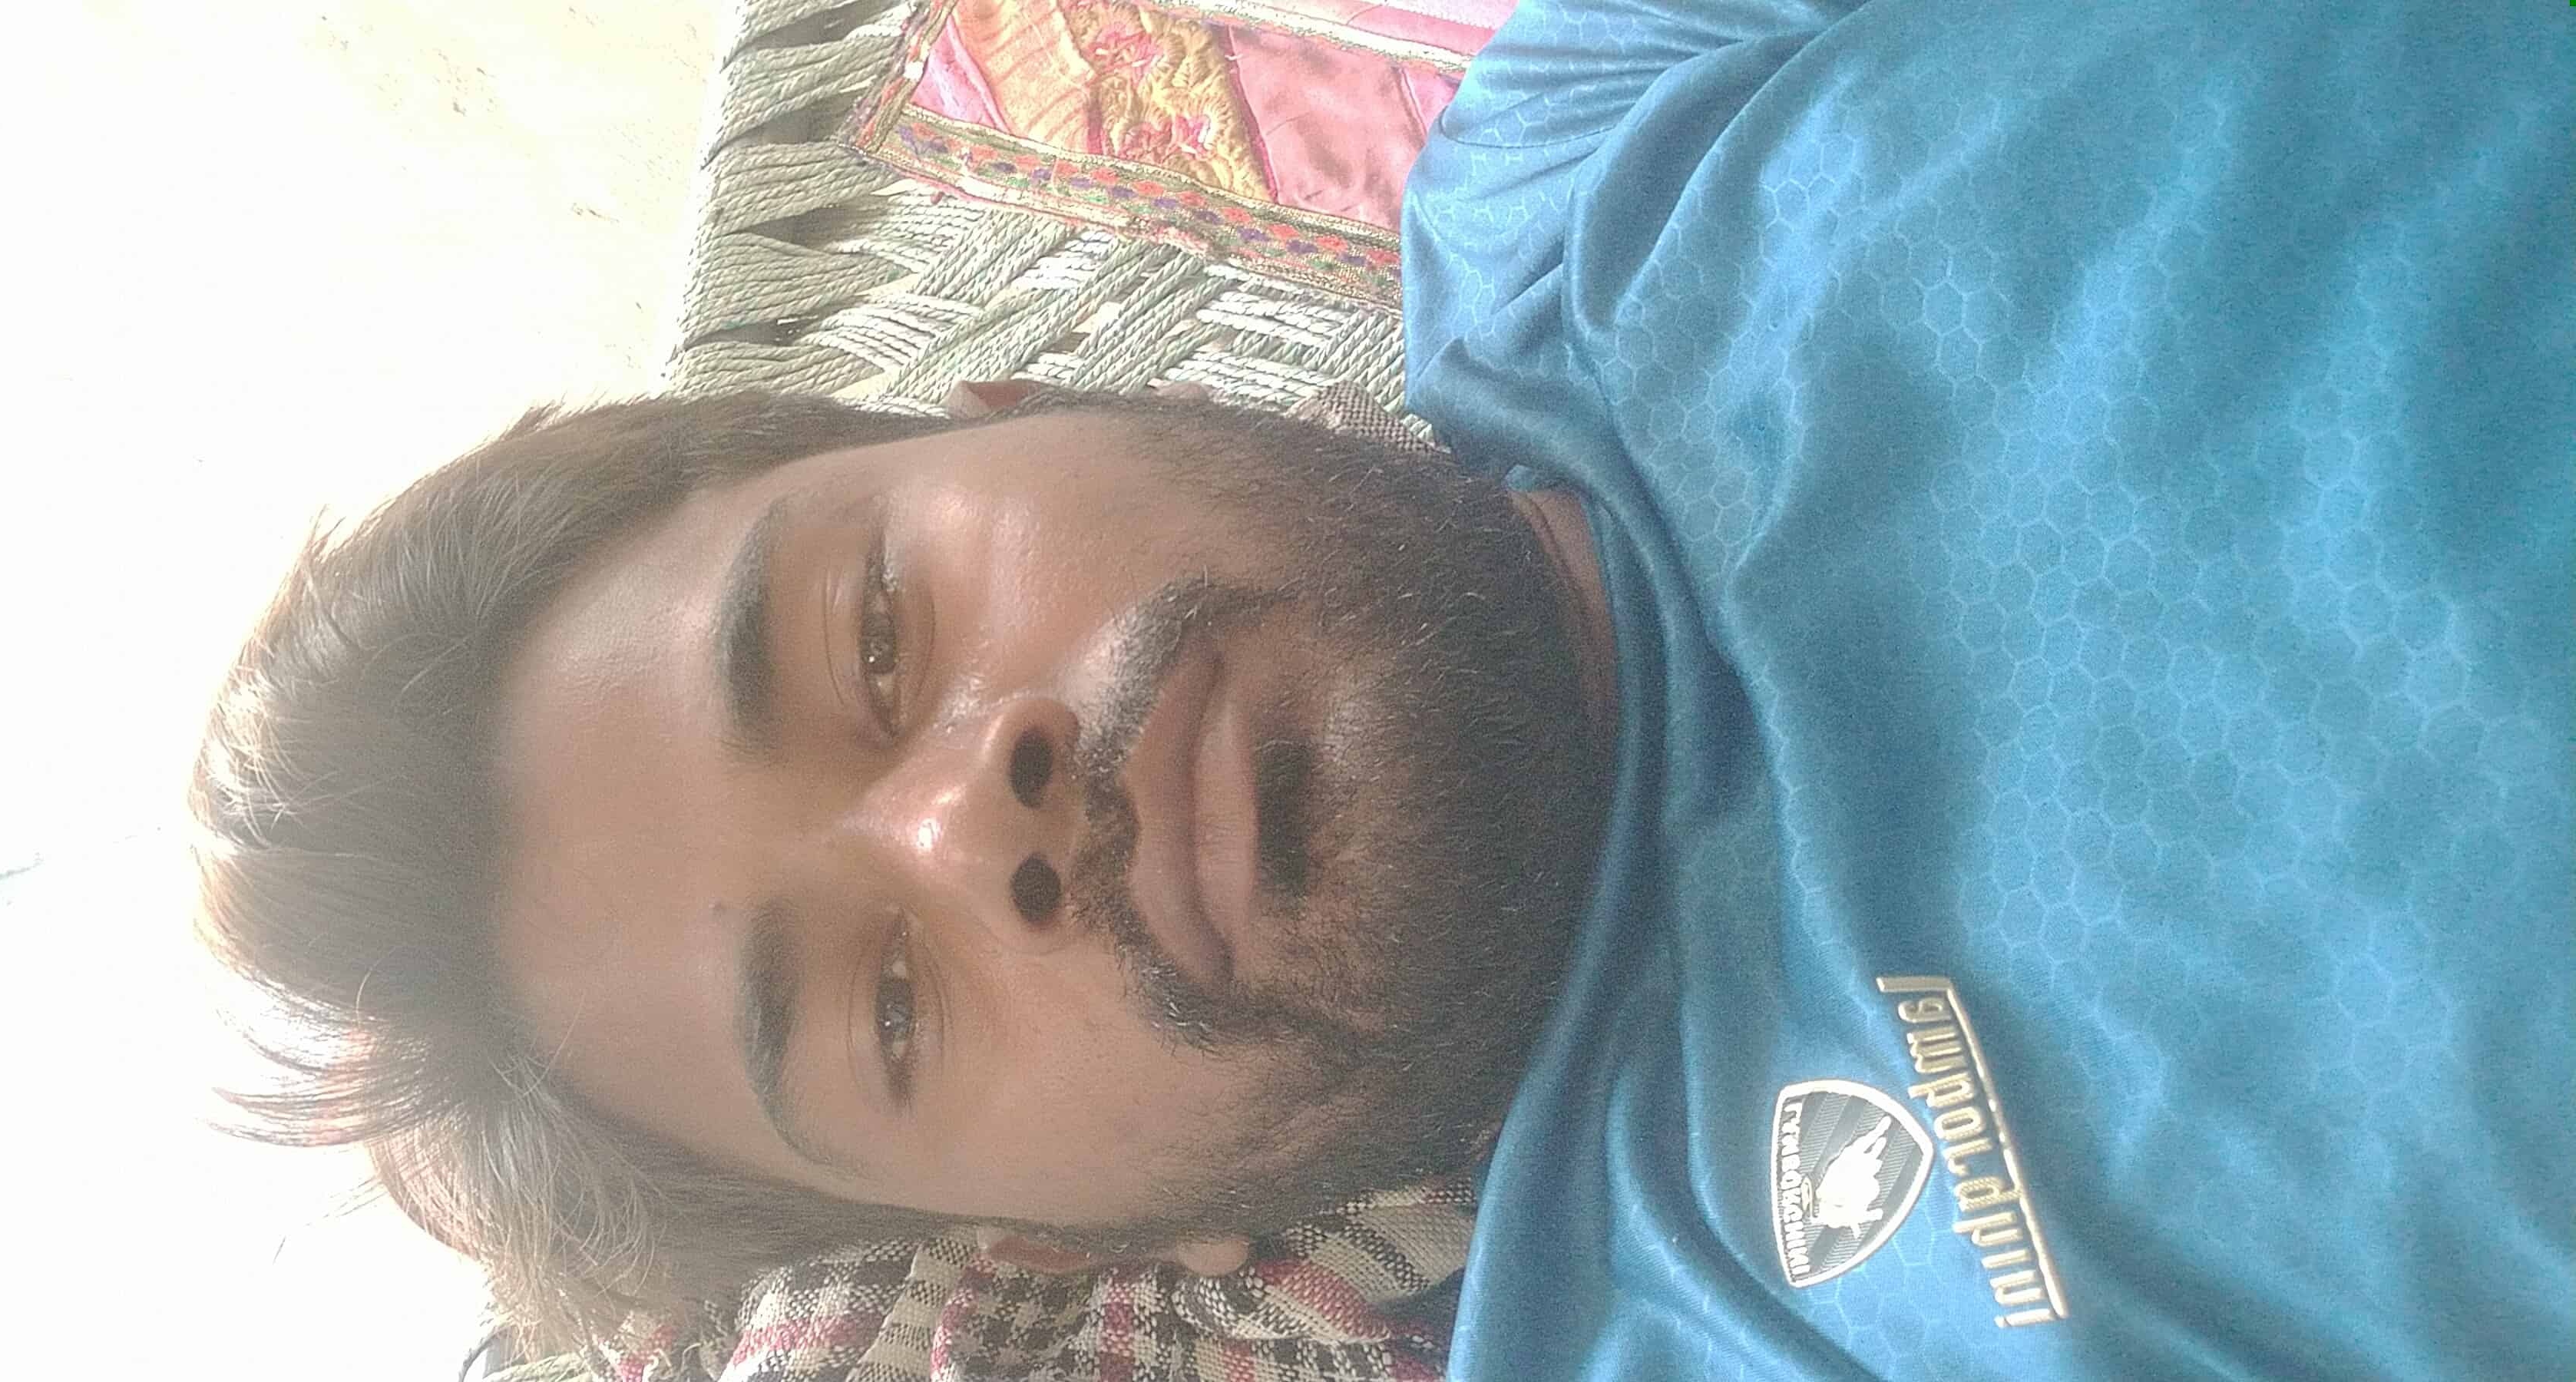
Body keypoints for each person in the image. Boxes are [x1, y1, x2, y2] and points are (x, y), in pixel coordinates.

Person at [190, 0, 2573, 1374]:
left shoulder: (1591, 144)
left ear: (1018, 406)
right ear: (1077, 1250)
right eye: (889, 1010)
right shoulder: (1706, 1330)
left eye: (875, 640)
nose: (966, 824)